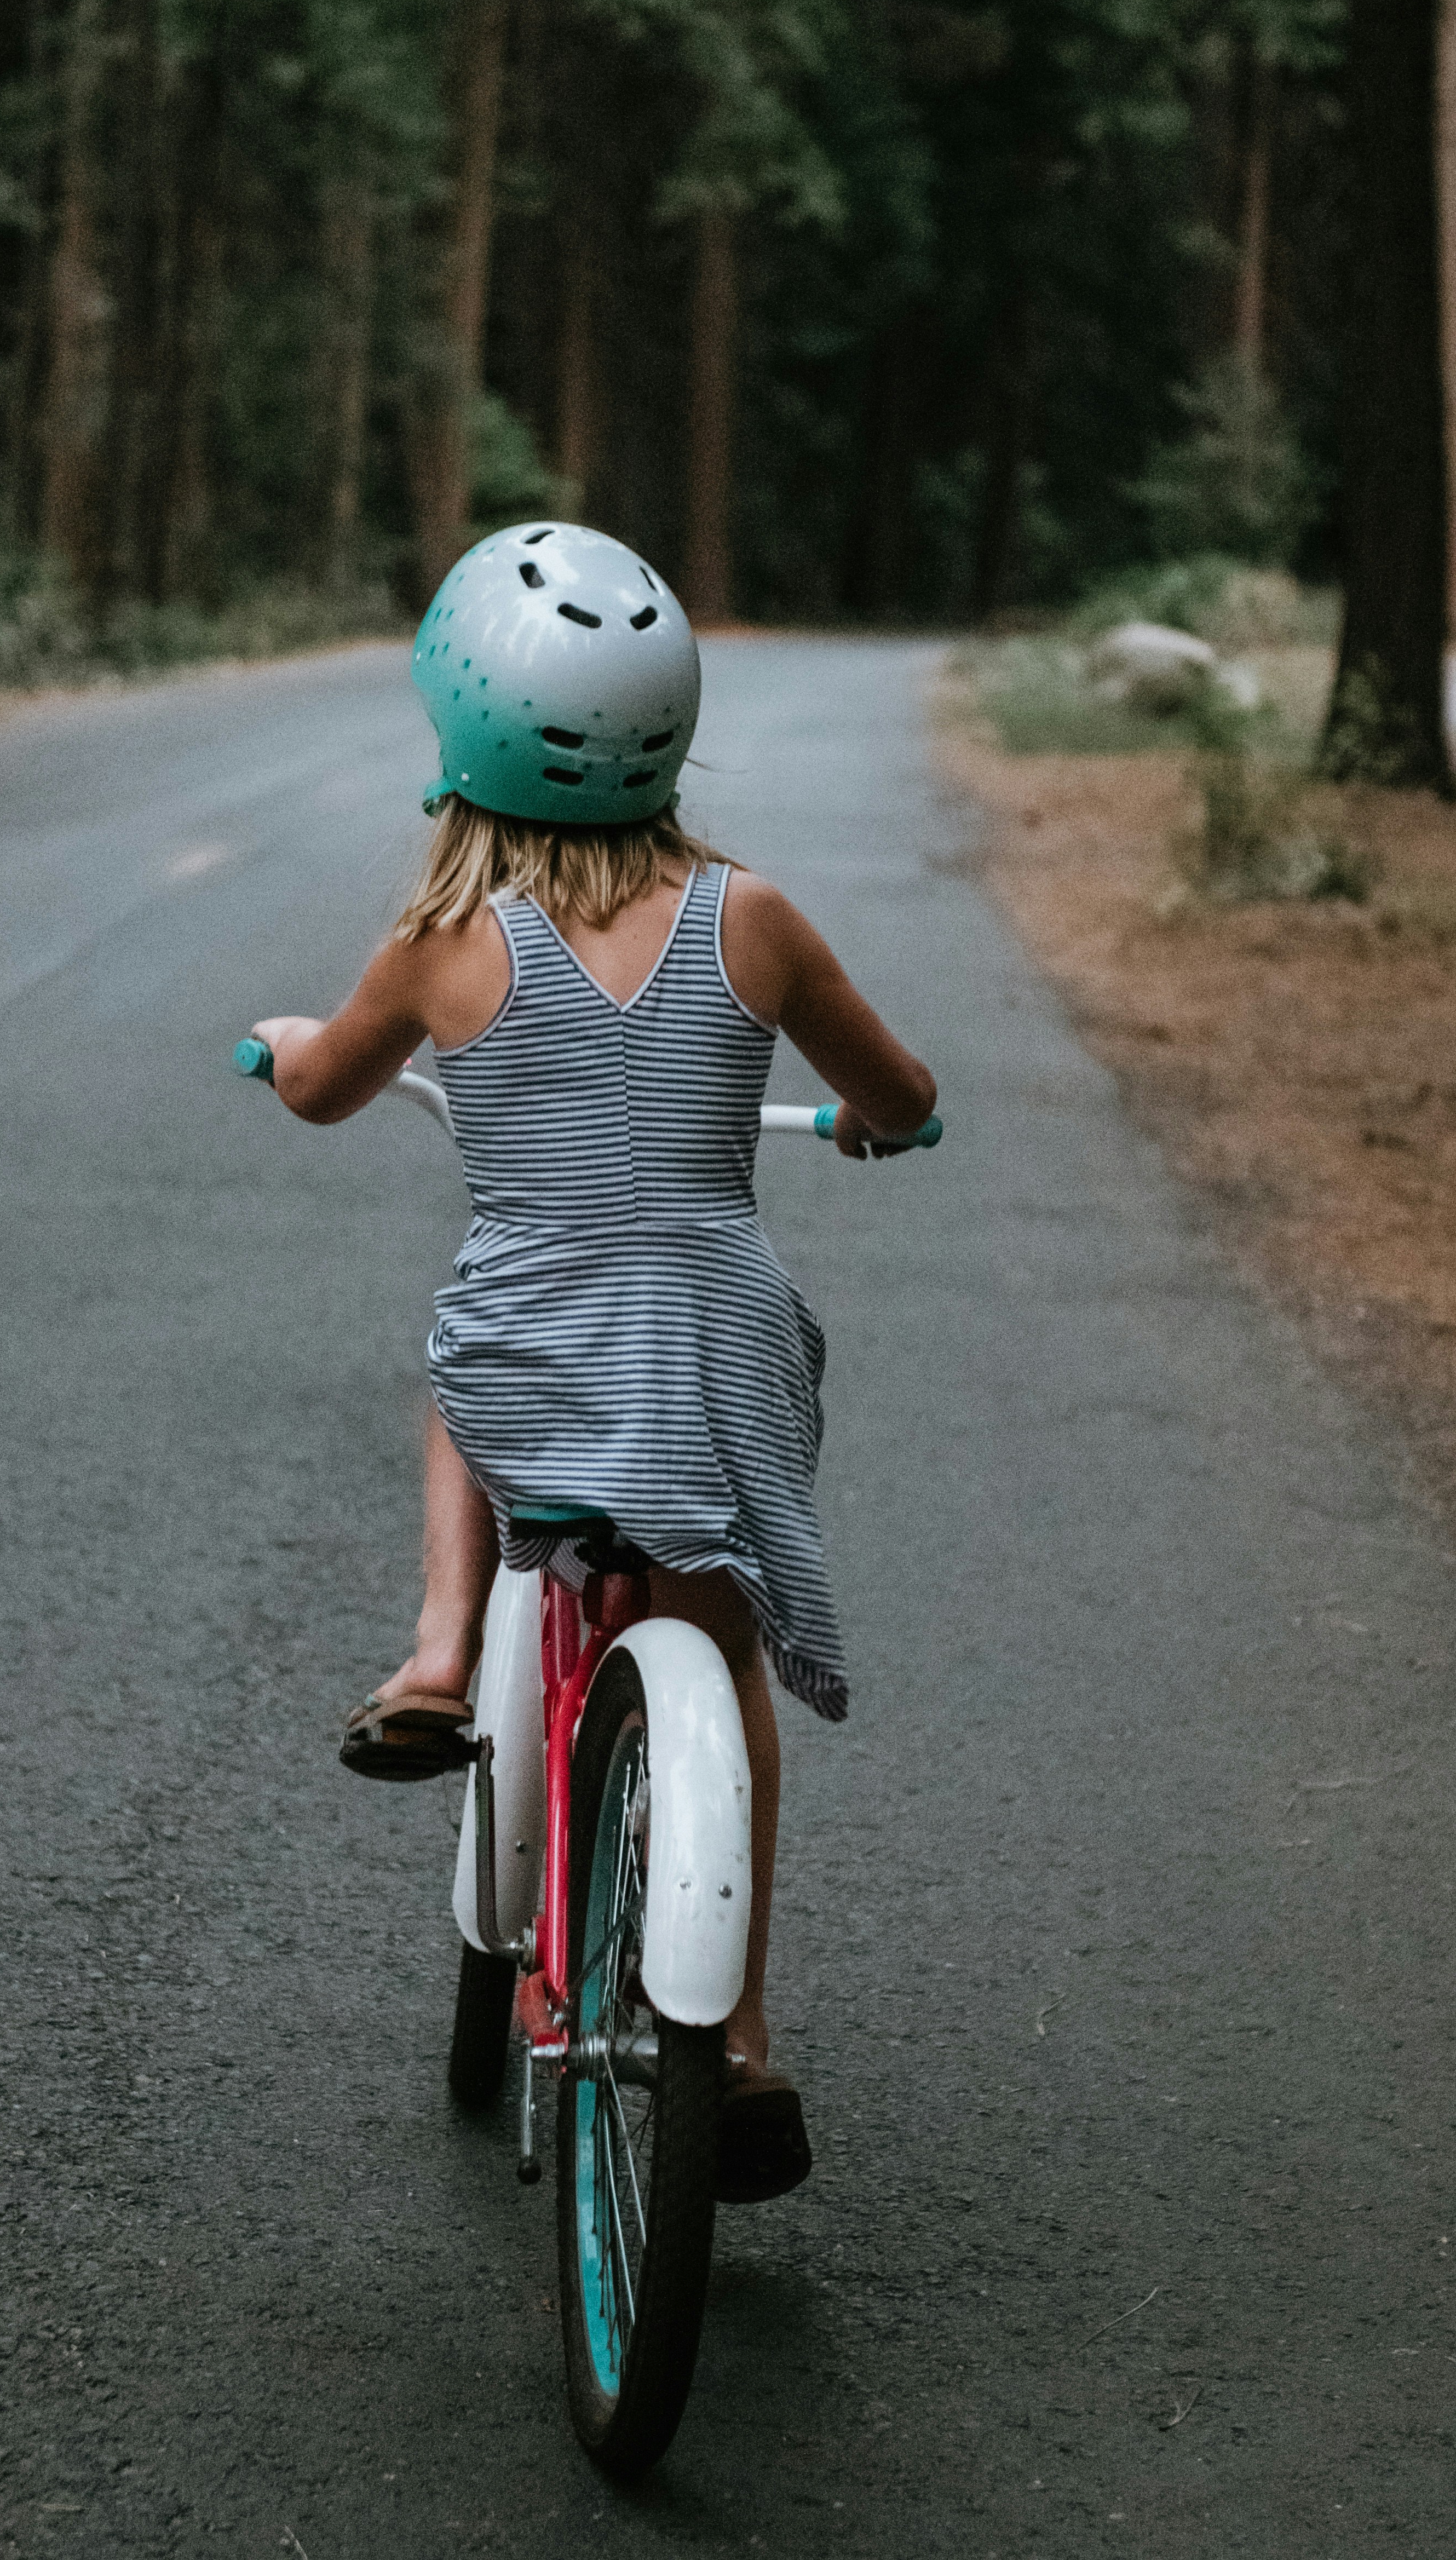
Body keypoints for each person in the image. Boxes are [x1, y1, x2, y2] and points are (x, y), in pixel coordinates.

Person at [249, 523, 935, 2200]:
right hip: (714, 1339)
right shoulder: (753, 917)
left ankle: (429, 1655)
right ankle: (747, 2044)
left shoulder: (440, 943)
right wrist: (864, 1123)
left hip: (542, 1333)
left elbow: (331, 1085)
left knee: (461, 1366)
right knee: (722, 1650)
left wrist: (280, 1053)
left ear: (462, 727)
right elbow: (904, 1095)